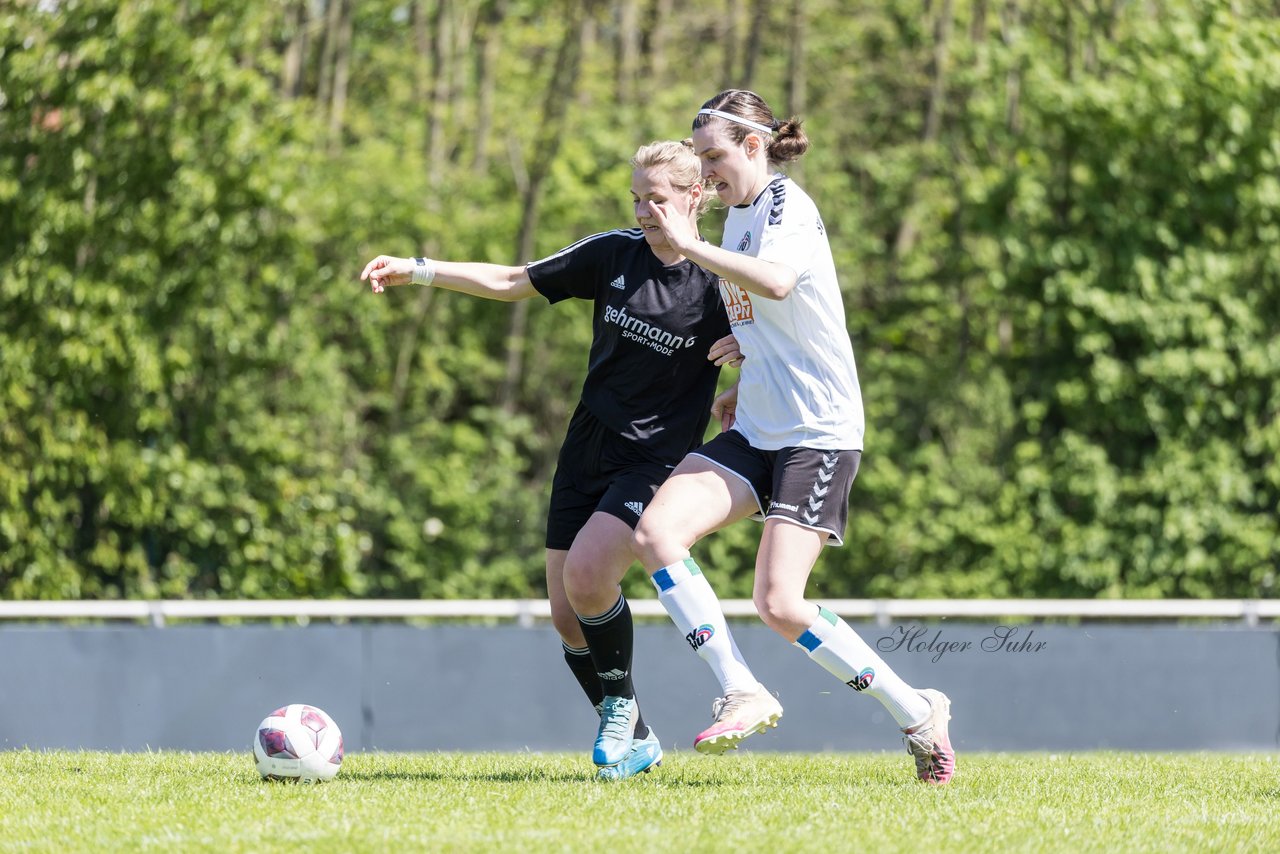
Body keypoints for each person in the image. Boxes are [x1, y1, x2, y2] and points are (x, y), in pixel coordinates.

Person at [360, 140, 740, 781]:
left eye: (660, 198)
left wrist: (744, 374)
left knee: (590, 579)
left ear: (695, 194)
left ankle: (619, 706)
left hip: (653, 461)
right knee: (568, 615)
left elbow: (789, 345)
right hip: (586, 446)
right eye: (637, 198)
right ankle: (639, 736)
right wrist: (418, 268)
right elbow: (512, 281)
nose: (647, 211)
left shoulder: (723, 281)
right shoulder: (612, 254)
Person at [632, 90, 956, 784]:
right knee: (656, 531)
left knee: (780, 603)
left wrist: (691, 246)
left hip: (819, 432)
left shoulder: (785, 206)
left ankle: (918, 711)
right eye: (700, 159)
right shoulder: (739, 219)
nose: (707, 172)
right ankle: (742, 688)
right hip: (758, 426)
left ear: (754, 145)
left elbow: (778, 282)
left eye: (714, 156)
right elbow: (773, 319)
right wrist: (743, 369)